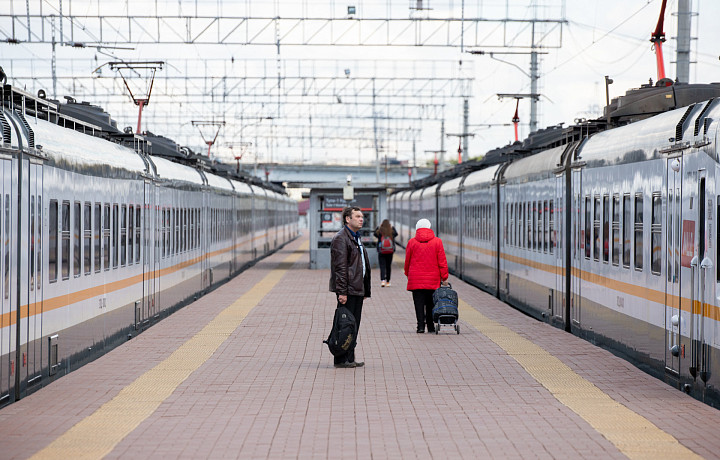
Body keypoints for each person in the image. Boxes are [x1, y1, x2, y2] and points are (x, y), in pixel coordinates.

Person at [329, 206, 371, 368]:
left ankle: (350, 357)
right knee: (345, 324)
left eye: (362, 216)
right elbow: (340, 268)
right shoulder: (341, 238)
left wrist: (365, 289)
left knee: (353, 325)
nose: (361, 219)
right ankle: (341, 359)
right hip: (348, 290)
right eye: (357, 216)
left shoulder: (355, 237)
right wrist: (342, 292)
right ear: (348, 219)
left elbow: (361, 264)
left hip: (356, 289)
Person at [404, 218, 449, 333]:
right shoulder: (437, 242)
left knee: (418, 303)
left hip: (415, 278)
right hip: (433, 279)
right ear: (429, 227)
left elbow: (407, 261)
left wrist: (408, 274)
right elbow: (442, 261)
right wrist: (444, 277)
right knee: (431, 303)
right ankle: (430, 326)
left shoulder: (411, 242)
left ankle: (420, 326)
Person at [373, 219, 398, 287]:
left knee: (382, 266)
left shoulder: (380, 230)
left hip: (381, 251)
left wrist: (378, 228)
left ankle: (382, 281)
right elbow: (396, 234)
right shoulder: (391, 230)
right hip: (390, 251)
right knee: (388, 266)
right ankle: (388, 282)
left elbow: (375, 234)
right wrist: (392, 228)